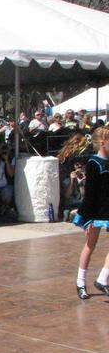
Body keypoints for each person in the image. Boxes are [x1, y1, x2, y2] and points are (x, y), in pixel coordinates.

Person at [72, 126, 109, 299]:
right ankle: (80, 282)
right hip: (95, 212)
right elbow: (90, 193)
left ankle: (103, 278)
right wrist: (86, 219)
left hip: (107, 210)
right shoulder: (93, 164)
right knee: (90, 245)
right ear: (103, 143)